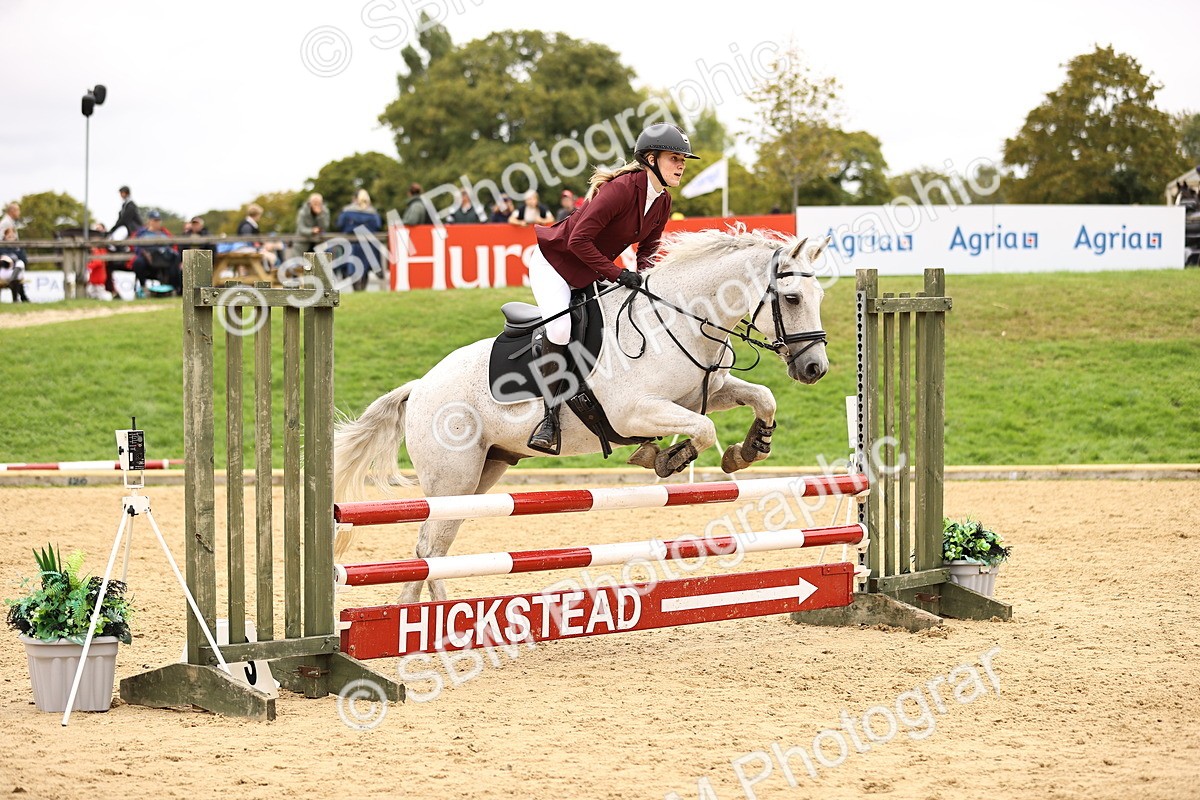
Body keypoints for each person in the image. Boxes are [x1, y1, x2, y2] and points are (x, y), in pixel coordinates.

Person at [524, 123, 698, 454]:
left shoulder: (661, 201)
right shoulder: (621, 190)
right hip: (554, 264)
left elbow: (648, 249)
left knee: (624, 322)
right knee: (561, 328)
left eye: (683, 160)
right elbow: (578, 240)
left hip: (592, 268)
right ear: (651, 158)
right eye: (674, 158)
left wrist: (647, 280)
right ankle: (548, 418)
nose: (681, 165)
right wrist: (618, 274)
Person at [335, 189, 383, 291]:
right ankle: (362, 290)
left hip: (352, 244)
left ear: (354, 199)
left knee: (353, 268)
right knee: (365, 269)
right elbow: (378, 226)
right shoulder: (373, 213)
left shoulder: (347, 212)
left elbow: (340, 225)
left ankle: (357, 290)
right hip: (368, 245)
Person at [130, 210, 181, 296]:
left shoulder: (165, 233)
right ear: (149, 221)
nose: (157, 223)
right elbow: (134, 245)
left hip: (164, 258)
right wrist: (143, 253)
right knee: (138, 262)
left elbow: (173, 245)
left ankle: (174, 287)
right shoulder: (141, 233)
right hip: (147, 258)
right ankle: (143, 286)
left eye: (158, 220)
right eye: (155, 220)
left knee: (176, 257)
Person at [0, 226, 31, 302]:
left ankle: (13, 281)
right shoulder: (1, 247)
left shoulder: (18, 247)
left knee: (20, 263)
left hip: (16, 270)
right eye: (9, 236)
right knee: (17, 275)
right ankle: (22, 298)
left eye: (12, 236)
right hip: (4, 271)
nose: (11, 238)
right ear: (5, 236)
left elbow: (24, 261)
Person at [294, 193, 329, 257]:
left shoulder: (325, 212)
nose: (316, 205)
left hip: (318, 244)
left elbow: (325, 226)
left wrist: (320, 215)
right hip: (303, 245)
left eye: (319, 203)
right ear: (310, 203)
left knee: (319, 266)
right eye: (314, 202)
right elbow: (301, 228)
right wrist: (311, 230)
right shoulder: (302, 212)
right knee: (303, 266)